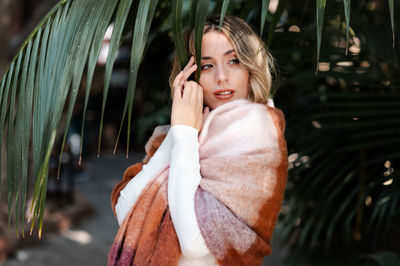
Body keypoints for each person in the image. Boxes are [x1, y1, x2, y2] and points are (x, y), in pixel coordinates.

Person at [108, 15, 288, 266]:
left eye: (234, 61)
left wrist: (184, 135)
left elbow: (194, 244)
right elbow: (126, 211)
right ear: (189, 76)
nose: (222, 77)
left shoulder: (260, 140)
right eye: (207, 66)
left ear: (251, 68)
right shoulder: (181, 135)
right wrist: (179, 133)